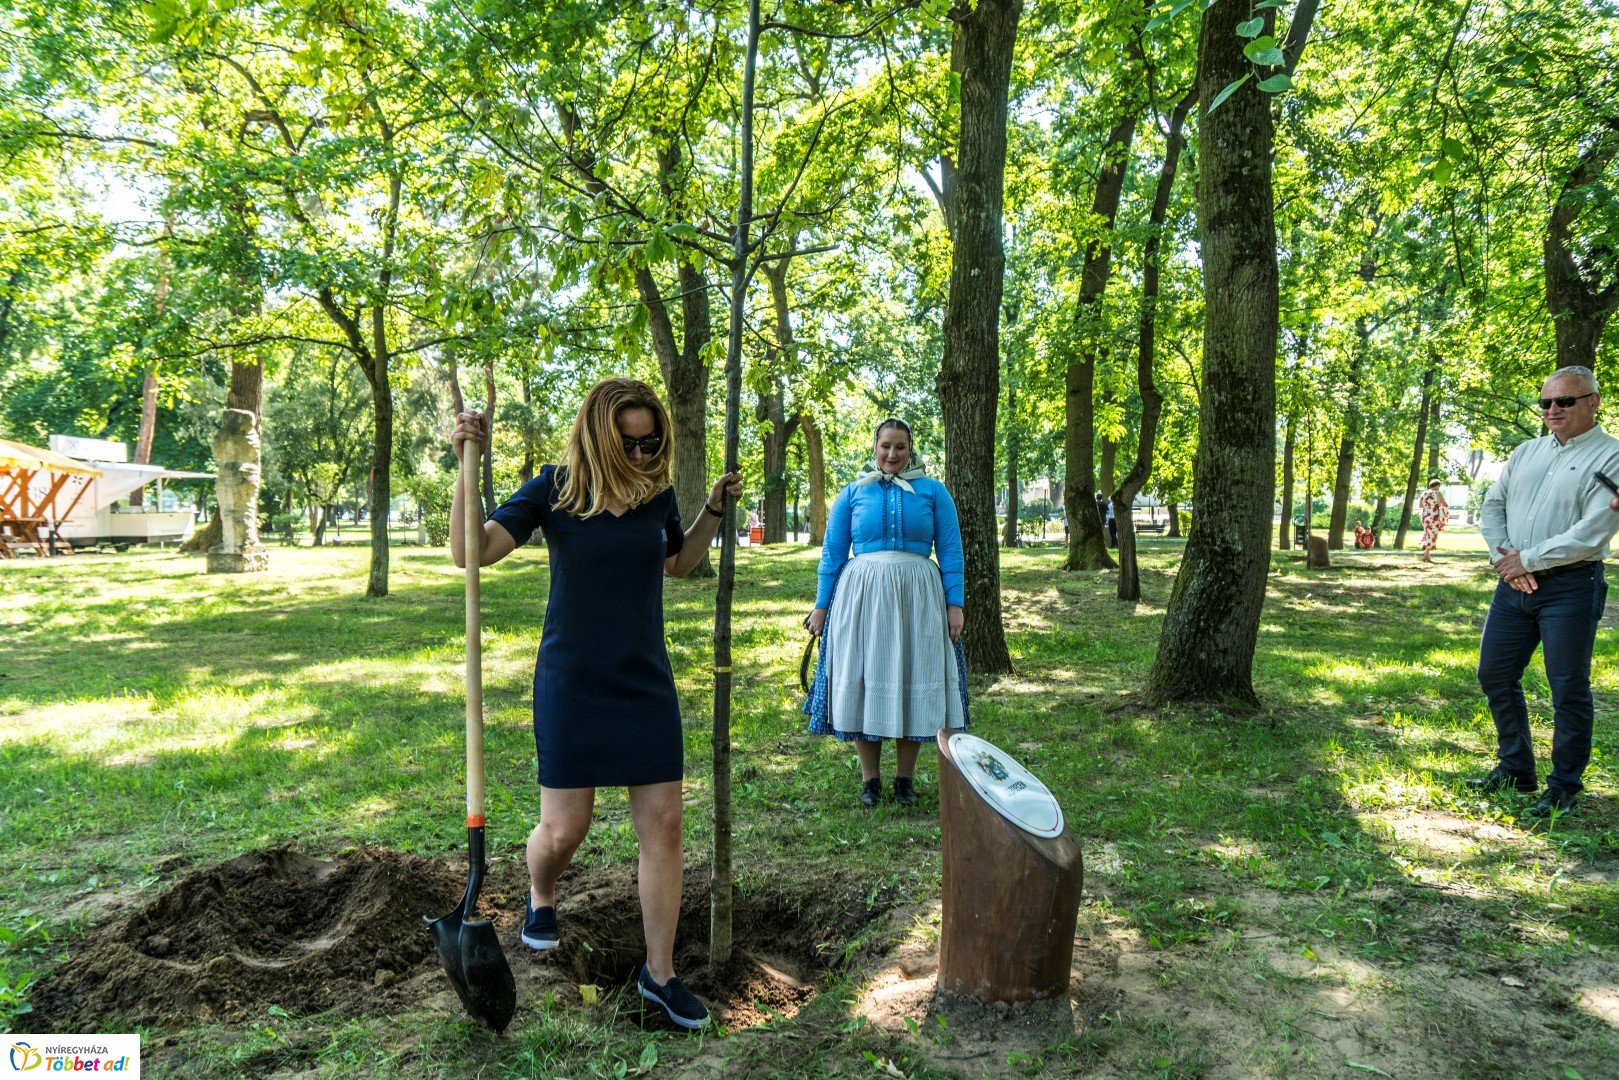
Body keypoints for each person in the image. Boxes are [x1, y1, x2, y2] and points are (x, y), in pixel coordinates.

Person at [450, 378, 742, 1030]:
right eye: (630, 443)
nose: (643, 455)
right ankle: (540, 892)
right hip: (571, 680)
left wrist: (712, 513)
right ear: (599, 437)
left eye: (652, 442)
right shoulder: (553, 489)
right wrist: (463, 470)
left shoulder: (654, 494)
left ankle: (659, 974)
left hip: (643, 681)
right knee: (564, 829)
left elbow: (676, 563)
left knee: (664, 824)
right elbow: (473, 552)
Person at [1468, 365, 1619, 818]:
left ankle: (1564, 786)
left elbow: (1595, 528)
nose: (1553, 410)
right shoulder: (1526, 452)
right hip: (1512, 582)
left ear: (1592, 402)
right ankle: (1515, 768)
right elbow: (1492, 505)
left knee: (1568, 686)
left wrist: (1527, 560)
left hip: (1571, 584)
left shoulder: (1612, 456)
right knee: (1494, 673)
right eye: (1546, 403)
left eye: (1564, 401)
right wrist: (1505, 559)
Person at [803, 418, 968, 807]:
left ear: (911, 449)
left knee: (914, 675)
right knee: (866, 677)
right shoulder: (852, 493)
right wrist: (821, 606)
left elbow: (950, 551)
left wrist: (955, 604)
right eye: (886, 446)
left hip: (920, 596)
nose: (892, 454)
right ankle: (870, 781)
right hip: (863, 598)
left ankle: (905, 780)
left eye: (900, 447)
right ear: (874, 447)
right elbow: (832, 553)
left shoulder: (934, 492)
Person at [1418, 478, 1448, 562]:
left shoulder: (1424, 493)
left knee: (1427, 533)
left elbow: (1420, 505)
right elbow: (1444, 504)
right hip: (1434, 516)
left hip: (1425, 515)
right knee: (1433, 535)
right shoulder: (1438, 493)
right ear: (1438, 485)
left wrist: (1428, 508)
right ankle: (1426, 554)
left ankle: (1426, 554)